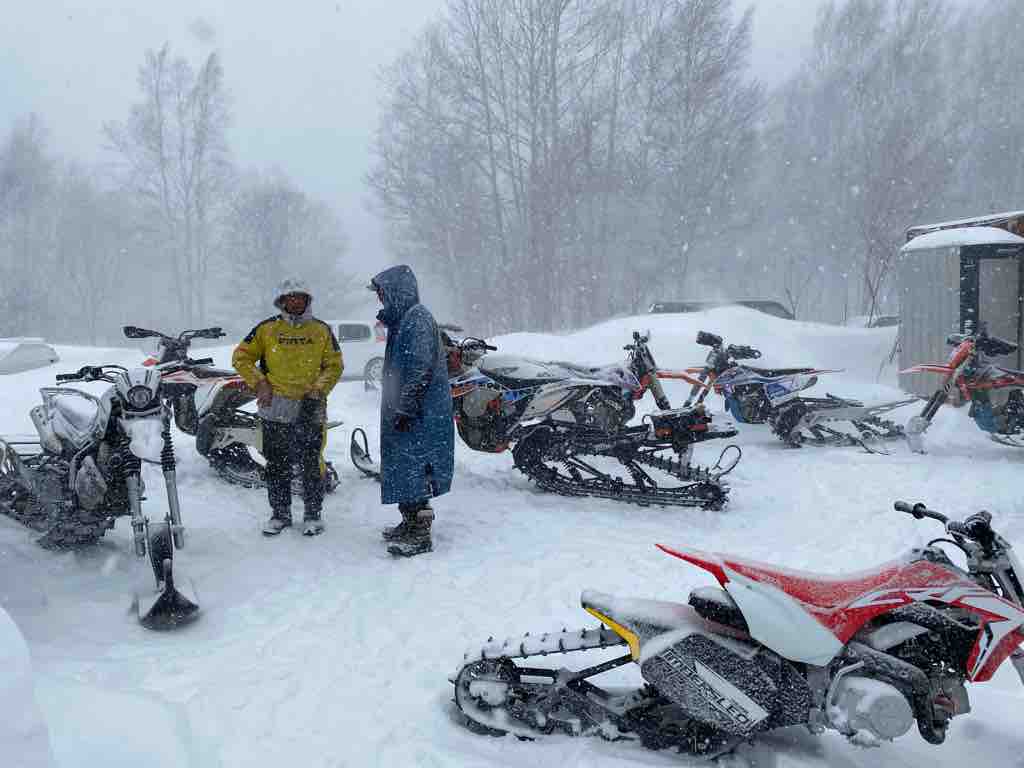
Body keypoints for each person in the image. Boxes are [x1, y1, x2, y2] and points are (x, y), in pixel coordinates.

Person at [232, 278, 342, 536]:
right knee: (276, 463)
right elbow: (241, 357)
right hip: (275, 407)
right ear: (281, 301)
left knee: (311, 463)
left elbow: (334, 365)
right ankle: (280, 514)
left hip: (311, 407)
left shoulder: (321, 330)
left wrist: (318, 390)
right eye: (290, 297)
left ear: (307, 300)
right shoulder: (266, 329)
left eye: (300, 297)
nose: (295, 301)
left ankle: (313, 515)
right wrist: (260, 383)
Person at [370, 265, 454, 557]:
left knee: (417, 468)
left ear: (397, 291)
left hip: (419, 413)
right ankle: (409, 521)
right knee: (403, 467)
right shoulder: (403, 319)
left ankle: (420, 533)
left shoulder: (417, 319)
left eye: (383, 292)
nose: (380, 298)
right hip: (408, 409)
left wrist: (406, 407)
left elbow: (420, 368)